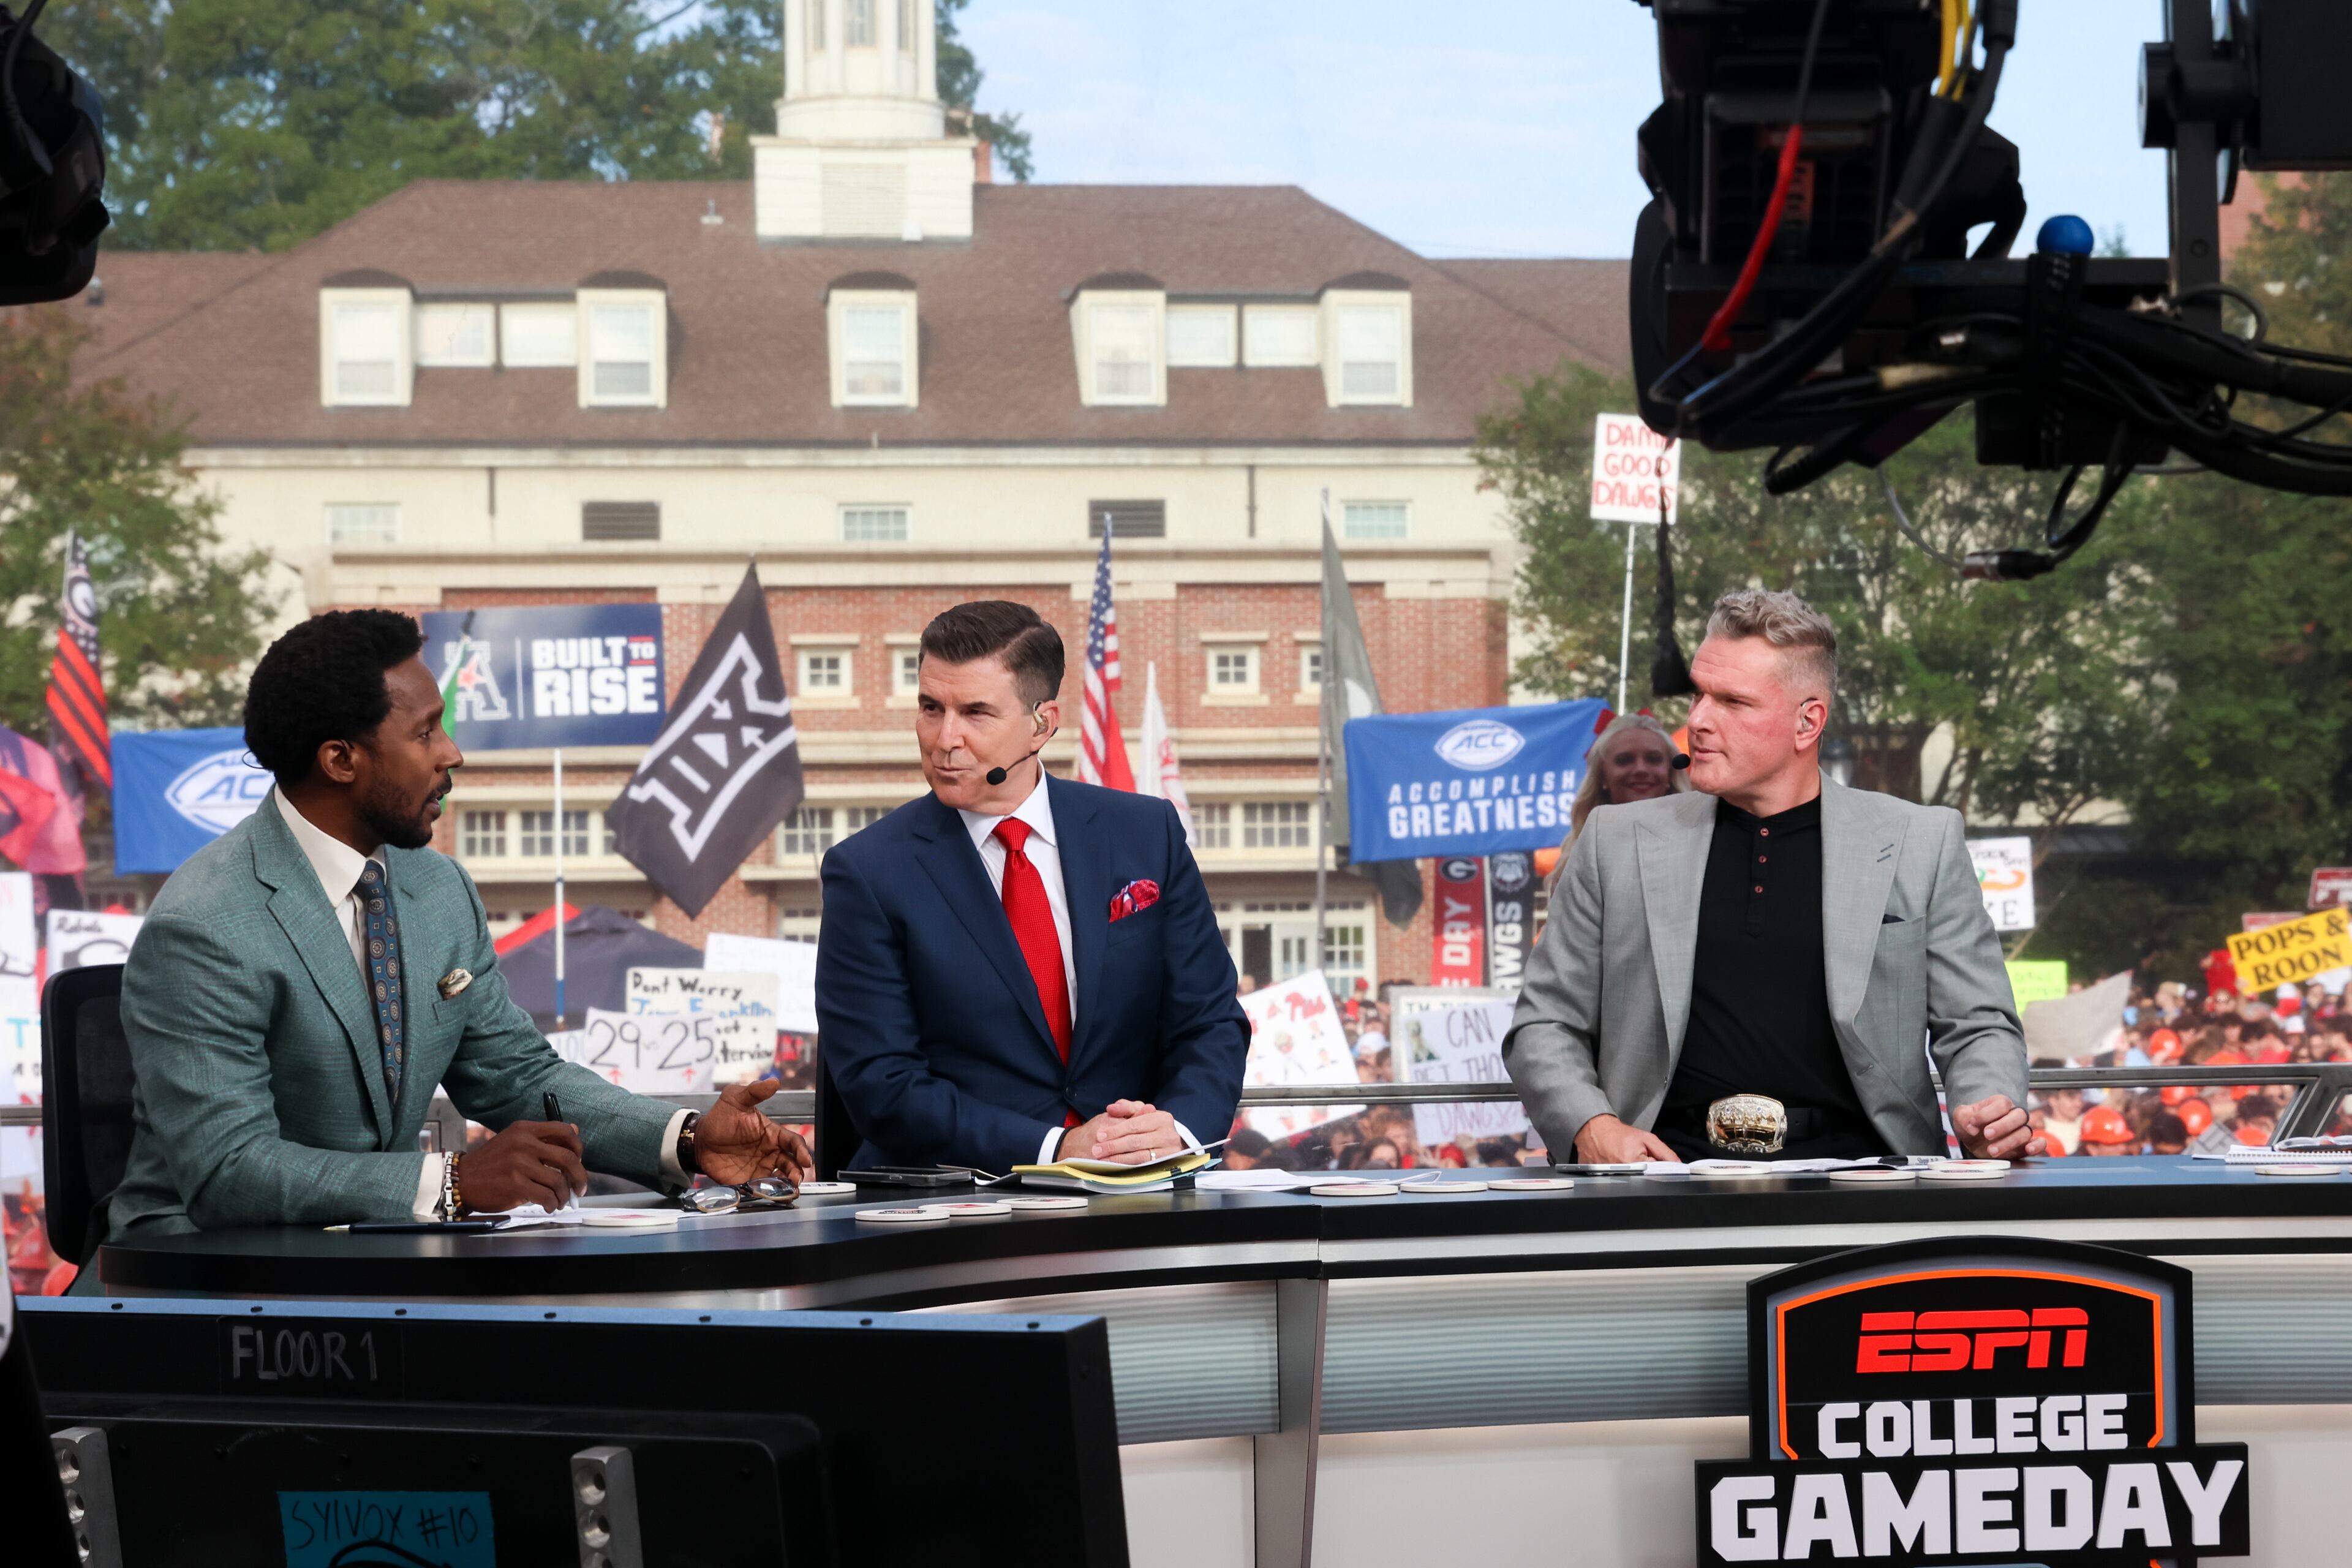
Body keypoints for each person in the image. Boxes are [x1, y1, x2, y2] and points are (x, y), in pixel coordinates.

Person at [105, 611, 809, 1241]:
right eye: (424, 732)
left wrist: (685, 1140)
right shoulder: (204, 925)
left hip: (366, 1256)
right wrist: (451, 1183)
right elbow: (230, 1170)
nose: (452, 753)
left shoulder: (436, 887)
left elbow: (515, 1075)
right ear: (340, 759)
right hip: (198, 1275)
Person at [1504, 589, 2037, 1164]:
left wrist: (1990, 1106)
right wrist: (1593, 1124)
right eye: (1699, 694)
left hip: (1869, 1181)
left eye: (1732, 702)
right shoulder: (1614, 841)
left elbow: (1978, 1024)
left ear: (1807, 722)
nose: (1698, 721)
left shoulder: (1920, 841)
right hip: (1661, 1178)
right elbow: (1544, 1023)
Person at [815, 600, 1248, 1172]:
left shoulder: (1147, 834)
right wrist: (1057, 1150)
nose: (945, 738)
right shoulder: (866, 872)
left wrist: (1177, 1135)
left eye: (975, 713)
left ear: (1042, 724)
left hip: (1141, 1200)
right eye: (930, 707)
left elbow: (1210, 1020)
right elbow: (883, 1084)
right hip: (952, 1213)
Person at [1542, 711, 1692, 899]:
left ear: (1671, 773)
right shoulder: (1579, 858)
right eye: (1624, 761)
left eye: (1653, 759)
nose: (1640, 769)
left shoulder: (1700, 842)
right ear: (1603, 776)